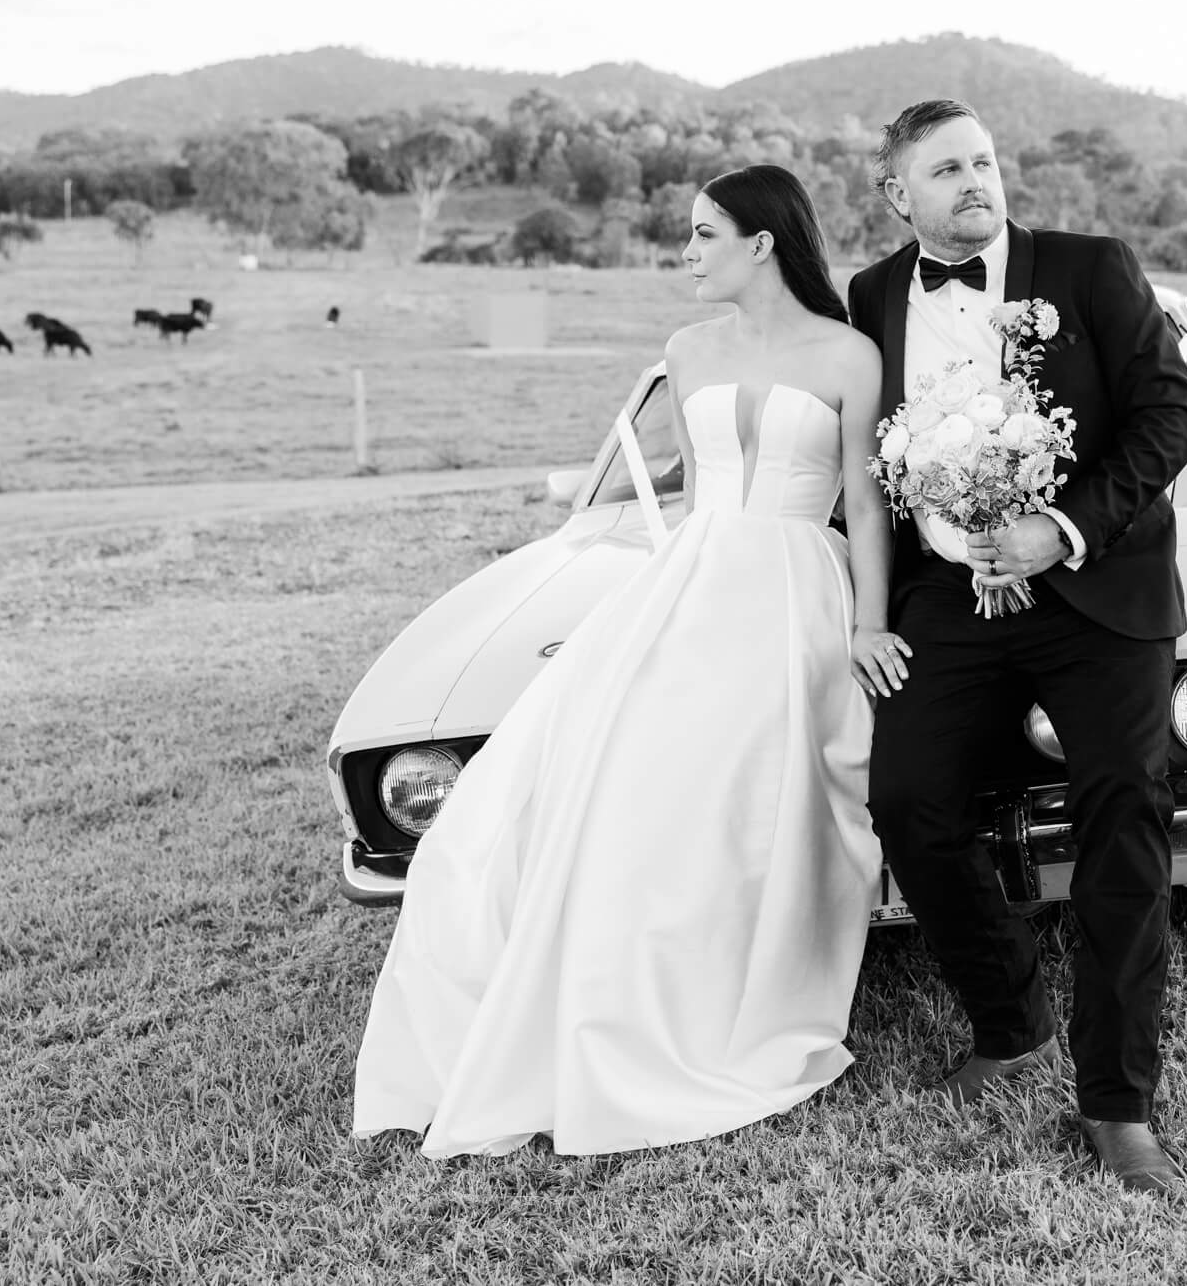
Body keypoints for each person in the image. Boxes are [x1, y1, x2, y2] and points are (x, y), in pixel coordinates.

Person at [353, 164, 911, 1158]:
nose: (685, 254)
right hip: (693, 583)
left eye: (702, 236)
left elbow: (862, 503)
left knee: (754, 789)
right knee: (629, 782)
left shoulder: (846, 355)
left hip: (795, 589)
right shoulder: (685, 350)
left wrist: (869, 625)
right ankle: (613, 988)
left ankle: (742, 985)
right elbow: (698, 498)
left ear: (760, 244)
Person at [845, 100, 1187, 1194]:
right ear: (895, 193)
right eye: (945, 169)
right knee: (908, 799)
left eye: (984, 163)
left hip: (1093, 588)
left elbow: (1168, 417)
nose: (973, 182)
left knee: (1122, 815)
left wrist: (1058, 530)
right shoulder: (868, 301)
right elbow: (864, 464)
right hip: (949, 604)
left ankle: (1116, 1103)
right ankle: (1010, 1022)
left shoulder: (1089, 270)